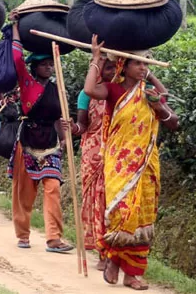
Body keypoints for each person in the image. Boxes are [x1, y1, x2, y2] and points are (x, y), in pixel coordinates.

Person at [83, 35, 178, 291]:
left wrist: (156, 98)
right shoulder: (114, 90)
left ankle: (132, 273)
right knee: (122, 214)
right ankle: (114, 259)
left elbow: (173, 121)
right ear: (124, 65)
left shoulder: (150, 94)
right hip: (119, 164)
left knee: (142, 218)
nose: (144, 67)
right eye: (139, 64)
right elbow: (90, 90)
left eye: (146, 63)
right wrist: (95, 59)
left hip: (146, 165)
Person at [9, 11, 74, 253]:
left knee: (53, 188)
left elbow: (60, 117)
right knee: (24, 193)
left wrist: (65, 138)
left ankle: (54, 238)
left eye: (50, 64)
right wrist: (15, 26)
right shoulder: (26, 82)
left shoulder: (57, 89)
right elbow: (16, 58)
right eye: (44, 64)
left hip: (50, 142)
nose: (48, 68)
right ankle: (23, 234)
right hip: (27, 140)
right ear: (35, 67)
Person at [76, 57, 116, 270]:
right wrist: (72, 128)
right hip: (93, 152)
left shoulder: (120, 92)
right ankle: (102, 252)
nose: (110, 72)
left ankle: (114, 251)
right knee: (96, 200)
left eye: (113, 67)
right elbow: (82, 125)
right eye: (106, 67)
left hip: (115, 150)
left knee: (112, 200)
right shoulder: (86, 94)